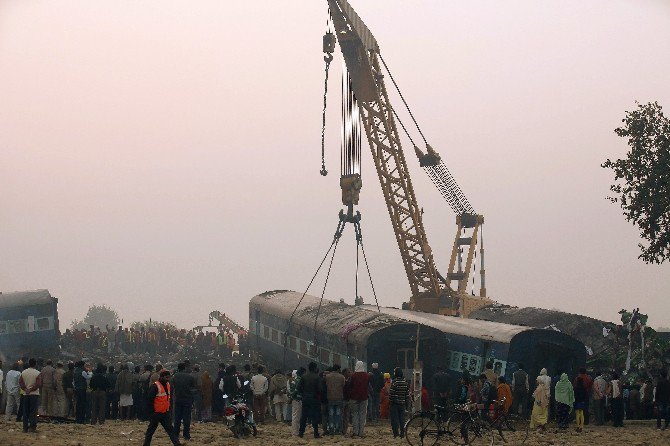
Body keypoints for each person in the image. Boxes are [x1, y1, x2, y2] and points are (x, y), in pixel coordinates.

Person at [143, 370, 181, 446]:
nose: (168, 379)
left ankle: (177, 444)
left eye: (169, 377)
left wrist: (169, 410)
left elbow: (168, 399)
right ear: (162, 377)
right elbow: (149, 401)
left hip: (165, 413)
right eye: (167, 377)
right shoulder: (155, 386)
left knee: (171, 430)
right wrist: (151, 413)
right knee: (150, 432)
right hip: (156, 413)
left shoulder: (168, 385)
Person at [172, 362, 197, 441]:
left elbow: (172, 387)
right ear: (184, 368)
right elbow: (194, 388)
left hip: (178, 399)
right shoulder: (190, 377)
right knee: (187, 418)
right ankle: (186, 435)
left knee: (177, 418)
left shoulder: (174, 377)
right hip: (187, 399)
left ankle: (176, 434)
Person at [299, 362, 322, 438]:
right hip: (314, 399)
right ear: (315, 368)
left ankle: (301, 432)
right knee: (315, 416)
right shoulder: (317, 377)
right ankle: (316, 433)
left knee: (304, 416)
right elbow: (320, 389)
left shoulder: (304, 376)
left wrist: (303, 394)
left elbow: (298, 387)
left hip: (305, 398)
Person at [18, 358, 41, 433]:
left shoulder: (23, 372)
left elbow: (20, 382)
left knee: (25, 411)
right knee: (33, 412)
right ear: (35, 364)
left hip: (25, 394)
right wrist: (31, 390)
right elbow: (38, 384)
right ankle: (32, 427)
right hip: (34, 395)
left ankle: (25, 428)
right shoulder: (37, 373)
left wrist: (26, 389)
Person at [349, 361, 370, 437]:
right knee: (362, 415)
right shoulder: (366, 375)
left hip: (354, 397)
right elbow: (367, 386)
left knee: (355, 415)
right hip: (364, 397)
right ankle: (361, 432)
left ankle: (355, 432)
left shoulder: (353, 376)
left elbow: (350, 386)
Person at [389, 367, 409, 438]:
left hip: (395, 404)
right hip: (402, 404)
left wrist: (391, 402)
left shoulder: (394, 382)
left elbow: (391, 394)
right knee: (402, 420)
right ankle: (402, 433)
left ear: (396, 373)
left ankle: (396, 434)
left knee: (395, 420)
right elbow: (407, 395)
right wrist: (407, 405)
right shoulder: (405, 383)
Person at [325, 364, 345, 435]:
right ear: (338, 369)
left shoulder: (327, 376)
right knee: (338, 414)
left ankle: (331, 429)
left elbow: (326, 385)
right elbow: (343, 386)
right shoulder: (342, 377)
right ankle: (337, 430)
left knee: (331, 414)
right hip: (339, 397)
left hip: (330, 397)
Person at [289, 368, 304, 437]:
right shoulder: (299, 380)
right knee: (296, 417)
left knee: (294, 415)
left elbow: (291, 391)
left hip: (294, 400)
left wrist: (291, 397)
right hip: (298, 399)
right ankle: (295, 433)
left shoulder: (294, 380)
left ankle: (295, 432)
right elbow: (296, 391)